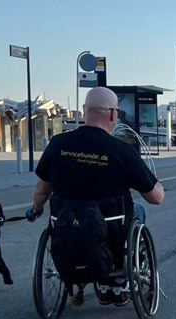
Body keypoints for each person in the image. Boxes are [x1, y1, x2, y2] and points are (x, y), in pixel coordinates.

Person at [26, 87, 165, 306]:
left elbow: (41, 191)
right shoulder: (122, 150)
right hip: (110, 226)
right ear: (112, 114)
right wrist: (158, 184)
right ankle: (119, 280)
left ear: (84, 111)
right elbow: (156, 197)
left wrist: (35, 209)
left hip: (67, 223)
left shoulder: (58, 144)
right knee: (138, 211)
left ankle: (84, 276)